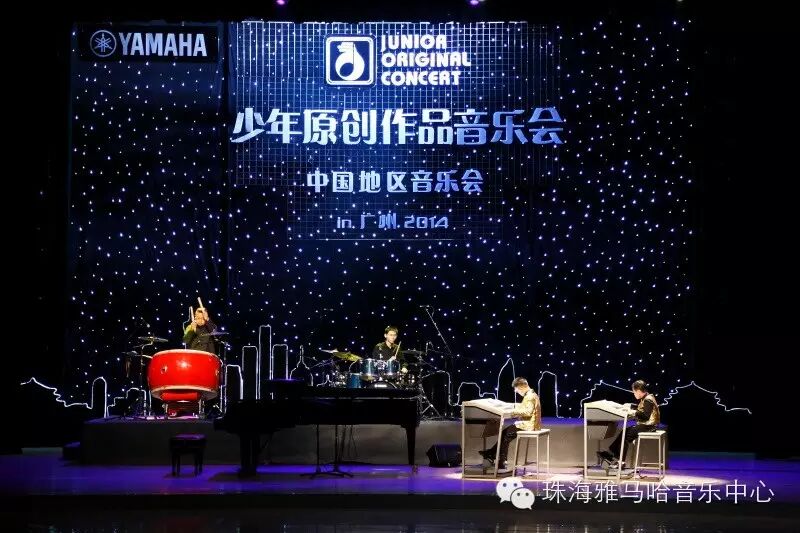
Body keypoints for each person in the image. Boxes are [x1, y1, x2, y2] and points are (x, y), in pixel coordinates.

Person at [480, 377, 542, 471]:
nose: (515, 391)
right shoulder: (531, 394)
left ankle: (499, 459)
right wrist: (515, 409)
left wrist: (513, 412)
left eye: (516, 389)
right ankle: (492, 455)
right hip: (530, 424)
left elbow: (528, 412)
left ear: (521, 387)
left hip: (528, 425)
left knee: (505, 434)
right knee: (505, 433)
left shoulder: (529, 396)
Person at [600, 380, 661, 467]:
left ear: (639, 391)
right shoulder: (647, 397)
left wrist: (633, 412)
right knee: (624, 432)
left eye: (634, 392)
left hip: (649, 426)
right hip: (647, 425)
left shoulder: (648, 400)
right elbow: (642, 409)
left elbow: (645, 416)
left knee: (626, 435)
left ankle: (618, 459)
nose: (634, 394)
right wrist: (631, 406)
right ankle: (612, 454)